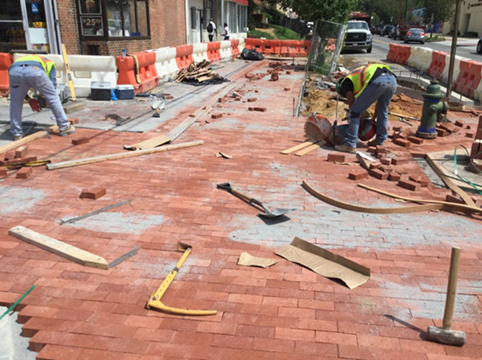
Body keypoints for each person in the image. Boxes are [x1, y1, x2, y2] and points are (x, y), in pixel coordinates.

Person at [8, 55, 75, 140]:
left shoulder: (19, 61)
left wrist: (29, 99)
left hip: (14, 71)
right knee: (53, 98)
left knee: (15, 103)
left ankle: (16, 134)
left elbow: (18, 90)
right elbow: (52, 84)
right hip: (35, 70)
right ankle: (64, 127)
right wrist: (46, 98)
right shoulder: (50, 63)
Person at [334, 63, 397, 153]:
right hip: (392, 80)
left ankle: (350, 144)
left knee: (354, 113)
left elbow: (352, 107)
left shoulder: (345, 83)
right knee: (383, 112)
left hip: (378, 81)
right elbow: (378, 106)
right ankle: (380, 140)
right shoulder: (357, 75)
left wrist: (352, 117)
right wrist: (373, 119)